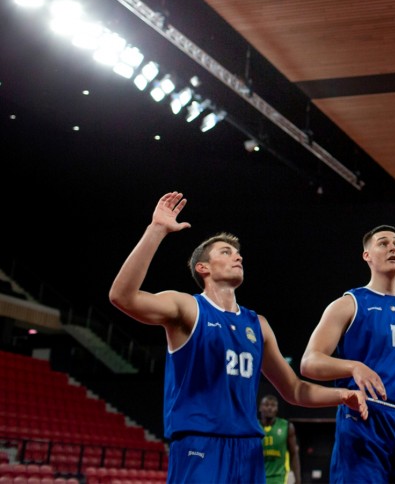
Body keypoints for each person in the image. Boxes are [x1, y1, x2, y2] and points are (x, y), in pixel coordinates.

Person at [109, 191, 368, 484]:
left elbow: (294, 389)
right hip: (200, 442)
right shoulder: (188, 307)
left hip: (248, 448)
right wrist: (156, 230)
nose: (238, 256)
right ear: (203, 268)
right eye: (226, 252)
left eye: (238, 253)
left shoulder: (258, 325)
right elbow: (122, 296)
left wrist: (342, 396)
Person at [299, 225, 395, 484]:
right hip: (364, 418)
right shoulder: (349, 303)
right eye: (383, 243)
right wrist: (353, 367)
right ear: (367, 256)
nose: (392, 248)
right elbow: (309, 362)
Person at [259, 394, 301, 484]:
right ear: (260, 408)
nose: (270, 408)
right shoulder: (254, 427)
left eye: (273, 405)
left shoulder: (286, 426)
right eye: (266, 405)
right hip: (258, 477)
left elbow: (294, 453)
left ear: (277, 409)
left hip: (280, 478)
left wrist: (298, 480)